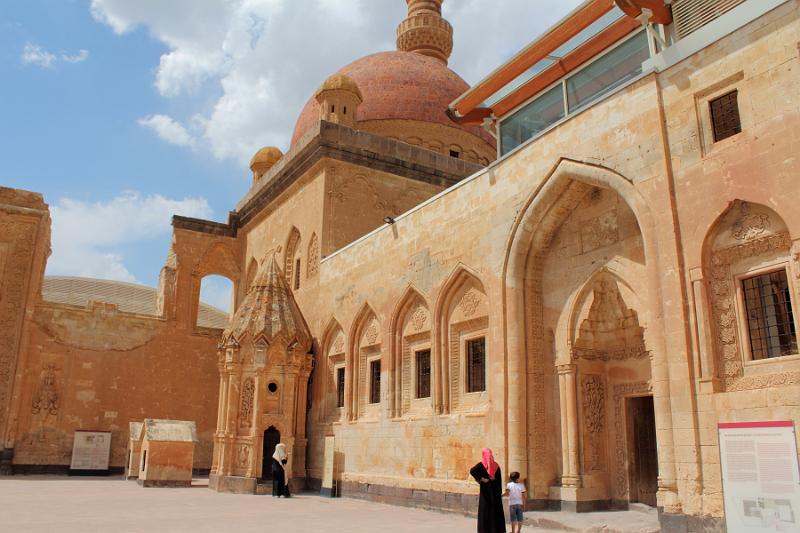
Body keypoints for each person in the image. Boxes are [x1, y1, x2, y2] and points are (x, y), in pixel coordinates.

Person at [469, 448, 506, 533]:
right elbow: (499, 481)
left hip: (486, 495)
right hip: (493, 494)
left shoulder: (481, 465)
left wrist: (481, 479)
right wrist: (482, 479)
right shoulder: (495, 465)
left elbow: (472, 471)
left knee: (486, 512)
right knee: (493, 512)